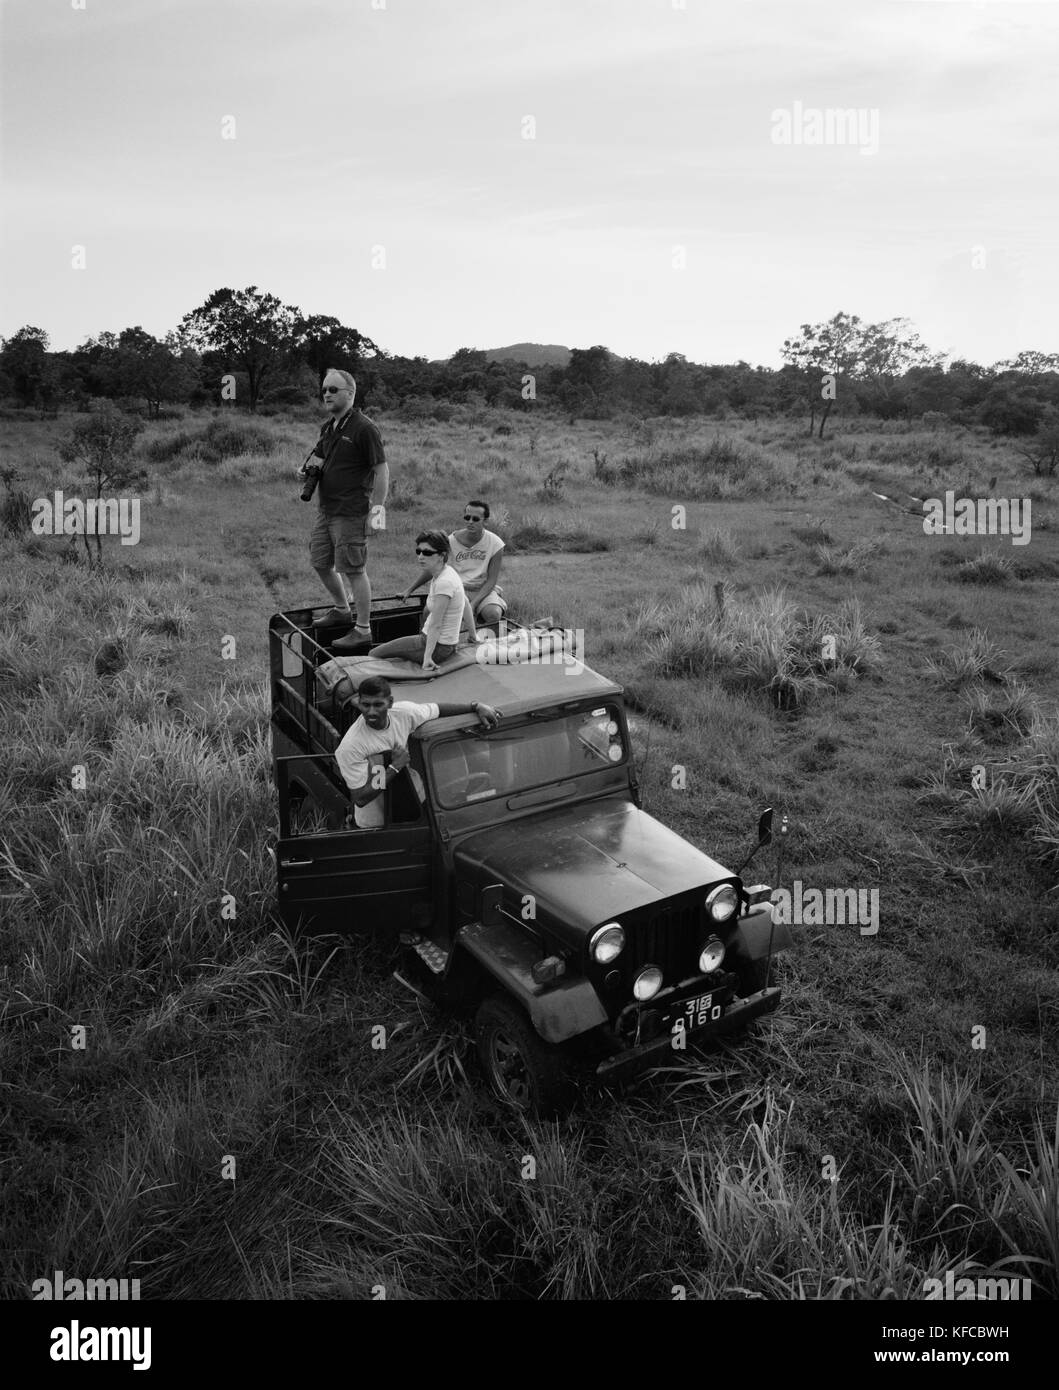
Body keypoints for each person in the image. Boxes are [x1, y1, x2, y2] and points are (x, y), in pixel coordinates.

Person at [335, 676, 501, 828]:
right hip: (377, 824)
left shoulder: (404, 714)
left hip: (416, 804)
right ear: (359, 703)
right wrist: (394, 768)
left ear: (390, 702)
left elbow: (437, 709)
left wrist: (476, 706)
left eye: (378, 704)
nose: (371, 711)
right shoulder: (351, 746)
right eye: (366, 705)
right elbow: (361, 798)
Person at [301, 368, 388, 653]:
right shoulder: (329, 427)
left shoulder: (364, 427)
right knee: (320, 562)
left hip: (351, 512)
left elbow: (381, 469)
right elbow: (322, 457)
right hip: (326, 509)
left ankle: (363, 629)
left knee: (353, 569)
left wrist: (377, 512)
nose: (327, 394)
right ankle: (341, 609)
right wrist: (307, 472)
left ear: (350, 394)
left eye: (333, 389)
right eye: (324, 389)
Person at [370, 531, 474, 670]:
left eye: (427, 553)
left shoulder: (445, 582)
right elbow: (465, 602)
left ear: (442, 555)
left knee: (373, 653)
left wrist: (427, 658)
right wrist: (473, 635)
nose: (420, 557)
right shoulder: (446, 572)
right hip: (442, 644)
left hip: (437, 647)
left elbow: (436, 624)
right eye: (418, 551)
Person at [402, 499, 507, 630]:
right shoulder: (451, 541)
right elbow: (435, 567)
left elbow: (491, 580)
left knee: (493, 613)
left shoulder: (496, 543)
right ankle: (428, 643)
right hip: (456, 587)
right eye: (467, 517)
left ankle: (483, 645)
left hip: (481, 589)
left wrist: (473, 604)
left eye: (475, 519)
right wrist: (410, 589)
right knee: (429, 612)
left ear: (485, 521)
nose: (470, 522)